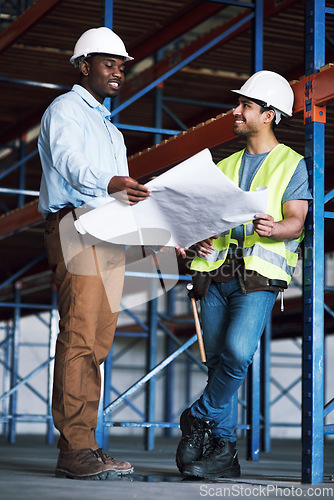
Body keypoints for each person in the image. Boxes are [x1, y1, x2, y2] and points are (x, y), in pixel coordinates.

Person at [175, 70, 311, 480]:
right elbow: (202, 219)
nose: (235, 111)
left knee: (236, 353)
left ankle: (197, 417)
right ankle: (224, 453)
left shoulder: (292, 163)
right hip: (215, 272)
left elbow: (297, 222)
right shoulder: (226, 163)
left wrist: (277, 229)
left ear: (268, 115)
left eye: (245, 106)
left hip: (257, 276)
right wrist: (195, 238)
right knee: (218, 363)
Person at [38, 27, 150, 480]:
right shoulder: (65, 109)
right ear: (84, 66)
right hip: (76, 223)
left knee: (100, 340)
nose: (118, 72)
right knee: (81, 334)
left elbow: (120, 195)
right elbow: (69, 162)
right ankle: (74, 449)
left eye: (122, 66)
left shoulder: (111, 129)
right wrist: (109, 184)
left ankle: (85, 441)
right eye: (109, 63)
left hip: (109, 230)